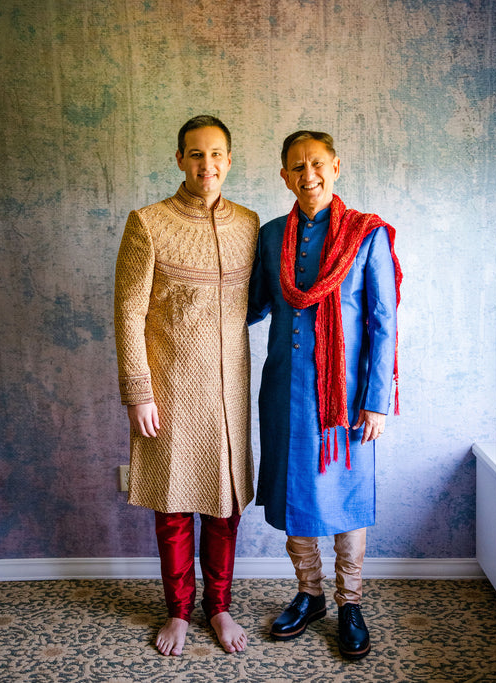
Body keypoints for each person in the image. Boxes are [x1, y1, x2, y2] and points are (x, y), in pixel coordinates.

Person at [248, 130, 401, 660]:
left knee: (345, 498)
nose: (308, 174)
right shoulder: (269, 238)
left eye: (317, 163)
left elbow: (384, 322)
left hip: (346, 397)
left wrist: (377, 400)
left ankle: (350, 602)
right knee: (294, 496)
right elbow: (252, 307)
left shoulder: (367, 235)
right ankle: (310, 594)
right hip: (284, 392)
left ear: (336, 166)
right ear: (284, 174)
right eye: (297, 166)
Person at [114, 115, 258, 656]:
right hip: (169, 390)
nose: (207, 165)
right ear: (179, 159)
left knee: (225, 506)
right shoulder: (147, 222)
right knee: (173, 506)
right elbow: (127, 314)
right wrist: (138, 391)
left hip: (229, 392)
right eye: (196, 154)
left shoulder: (249, 223)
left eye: (216, 154)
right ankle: (177, 611)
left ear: (229, 159)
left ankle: (218, 607)